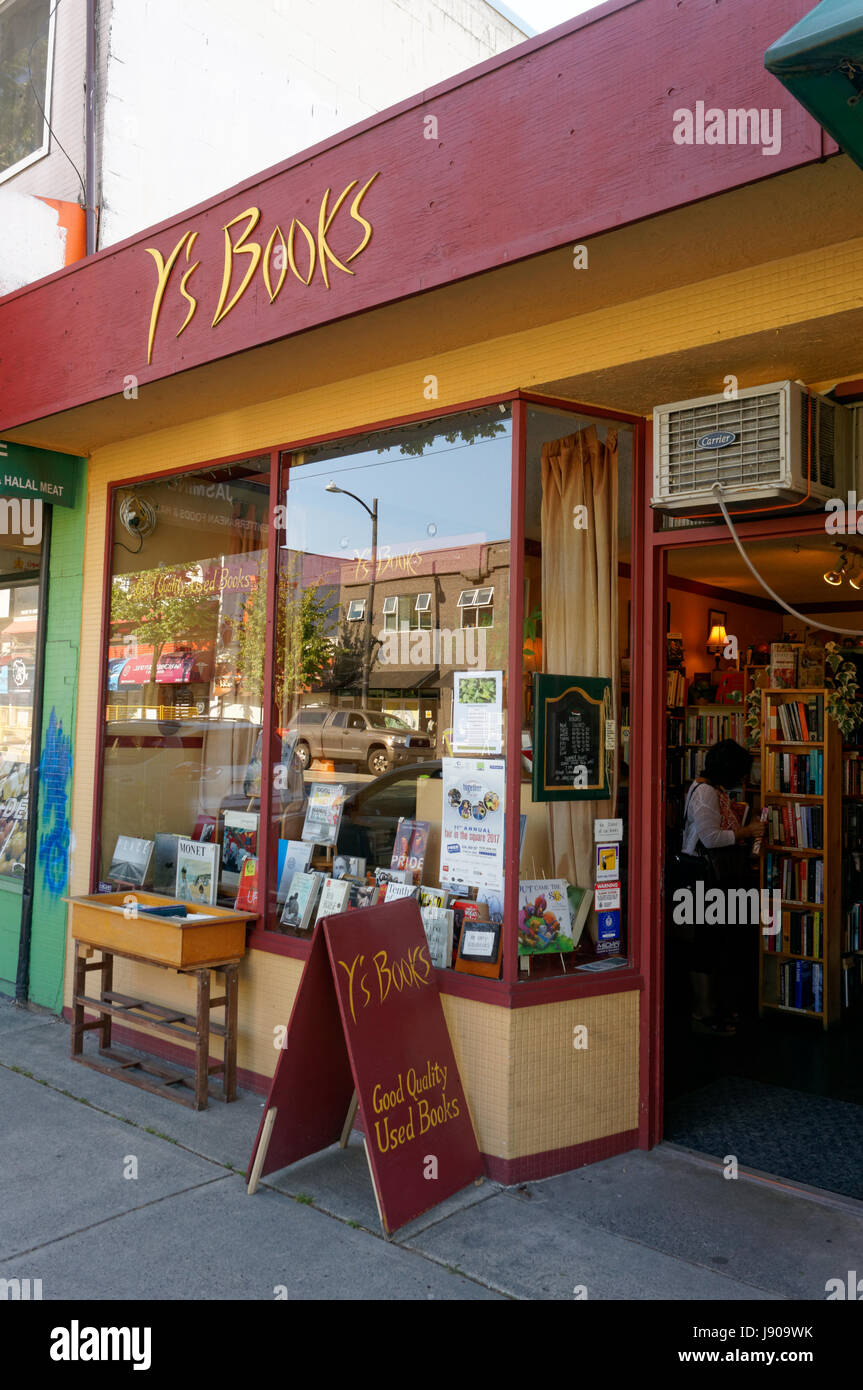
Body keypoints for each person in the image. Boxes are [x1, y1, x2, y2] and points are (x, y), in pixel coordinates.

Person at [682, 738, 761, 1035]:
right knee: (706, 943)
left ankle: (713, 1007)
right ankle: (703, 1011)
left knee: (714, 942)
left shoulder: (711, 790)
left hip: (712, 877)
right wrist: (746, 831)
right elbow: (710, 838)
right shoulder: (705, 793)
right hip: (705, 876)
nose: (742, 778)